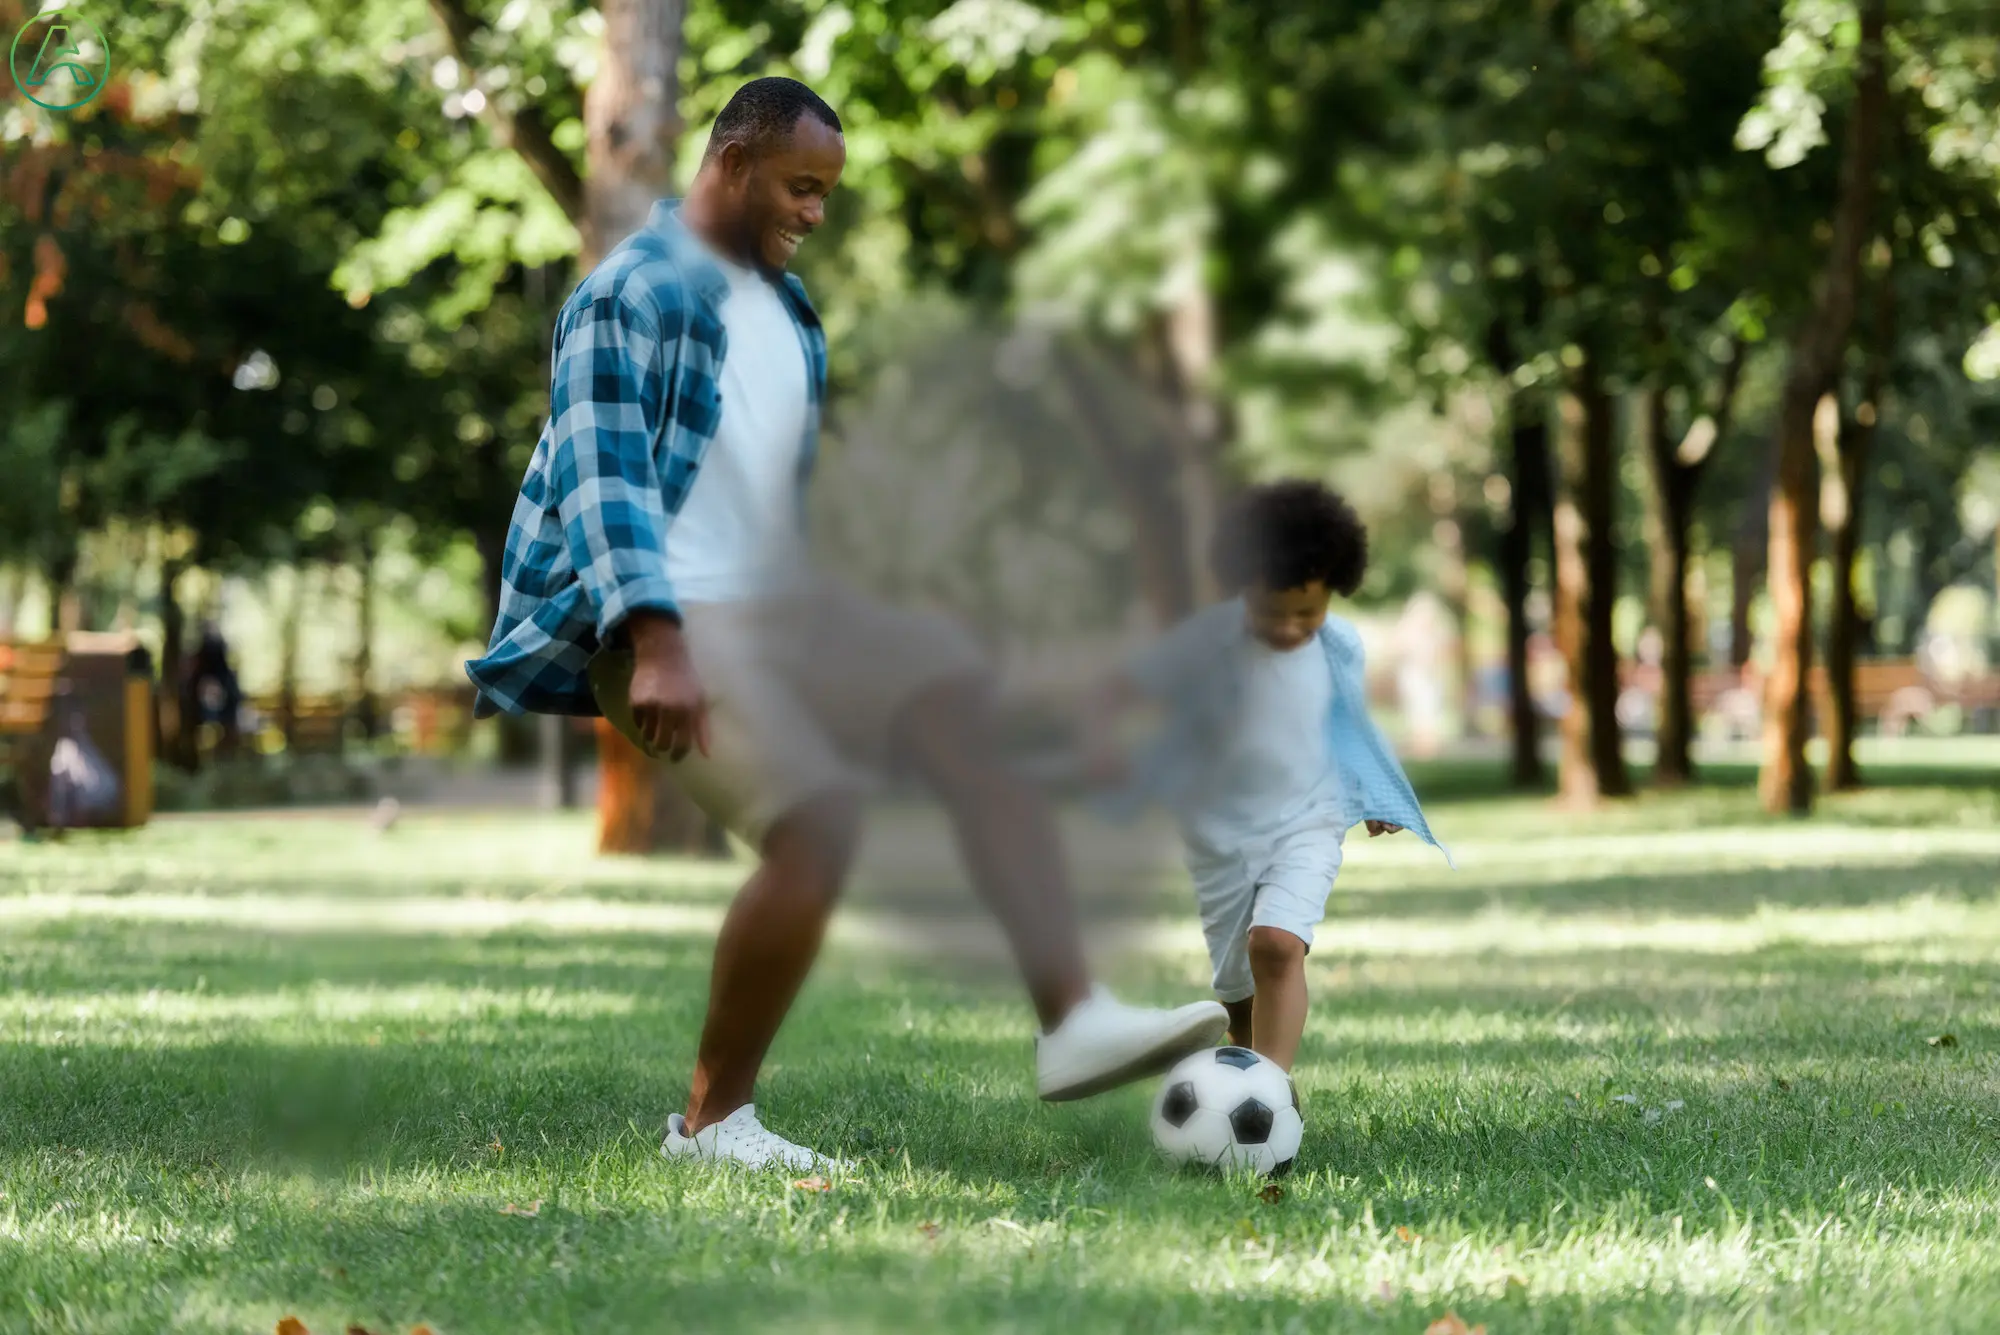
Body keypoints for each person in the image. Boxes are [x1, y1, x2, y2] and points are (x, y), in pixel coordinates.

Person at [465, 77, 1227, 1171]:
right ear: (731, 163)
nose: (815, 213)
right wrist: (660, 641)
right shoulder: (631, 292)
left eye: (824, 193)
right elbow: (605, 479)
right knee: (816, 825)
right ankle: (710, 1125)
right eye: (800, 187)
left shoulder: (786, 311)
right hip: (657, 624)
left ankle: (1071, 1019)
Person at [1081, 480, 1452, 1072]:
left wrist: (1373, 792)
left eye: (1306, 612)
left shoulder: (1339, 646)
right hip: (1218, 836)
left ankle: (1270, 1091)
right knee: (1238, 992)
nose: (1288, 628)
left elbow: (1349, 725)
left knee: (1276, 946)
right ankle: (1243, 1067)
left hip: (1308, 820)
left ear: (1333, 587)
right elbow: (1120, 689)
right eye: (1271, 612)